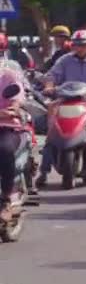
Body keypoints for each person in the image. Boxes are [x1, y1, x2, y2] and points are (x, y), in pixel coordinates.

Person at [35, 30, 86, 187]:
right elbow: (51, 75)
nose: (79, 48)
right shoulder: (65, 59)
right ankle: (44, 171)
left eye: (83, 45)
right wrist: (49, 85)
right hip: (66, 101)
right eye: (76, 44)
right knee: (52, 133)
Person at [0, 66, 30, 223]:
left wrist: (13, 108)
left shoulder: (8, 76)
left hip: (7, 127)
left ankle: (5, 199)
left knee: (4, 150)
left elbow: (16, 101)